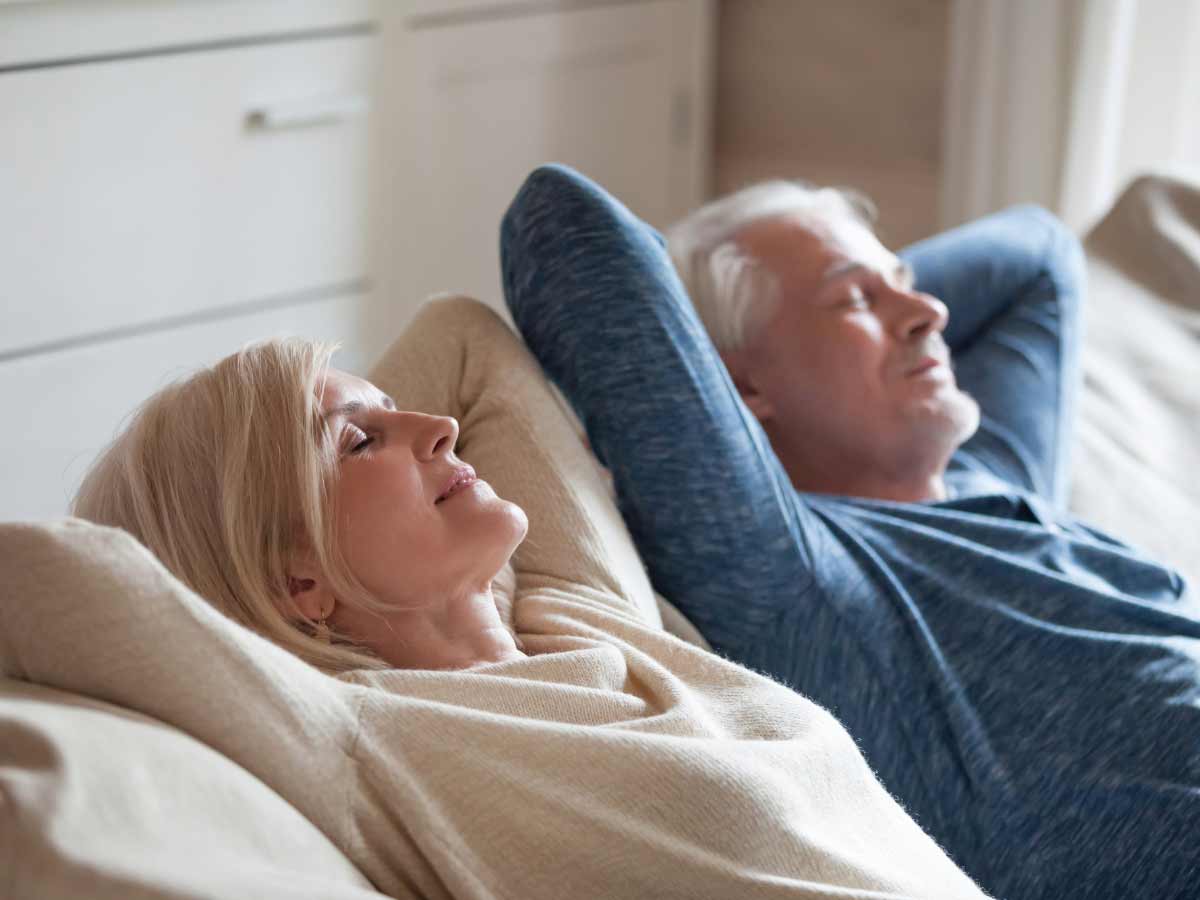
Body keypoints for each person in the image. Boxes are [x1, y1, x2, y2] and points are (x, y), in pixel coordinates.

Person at [69, 297, 988, 898]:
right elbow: (64, 590)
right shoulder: (364, 738)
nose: (439, 426)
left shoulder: (574, 609)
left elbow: (464, 339)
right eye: (358, 442)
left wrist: (320, 440)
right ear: (295, 580)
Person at [501, 164, 1200, 900]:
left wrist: (854, 303)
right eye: (855, 299)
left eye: (904, 276)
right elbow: (562, 225)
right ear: (738, 391)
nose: (929, 308)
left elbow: (1041, 254)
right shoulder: (800, 577)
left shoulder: (997, 472)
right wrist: (747, 344)